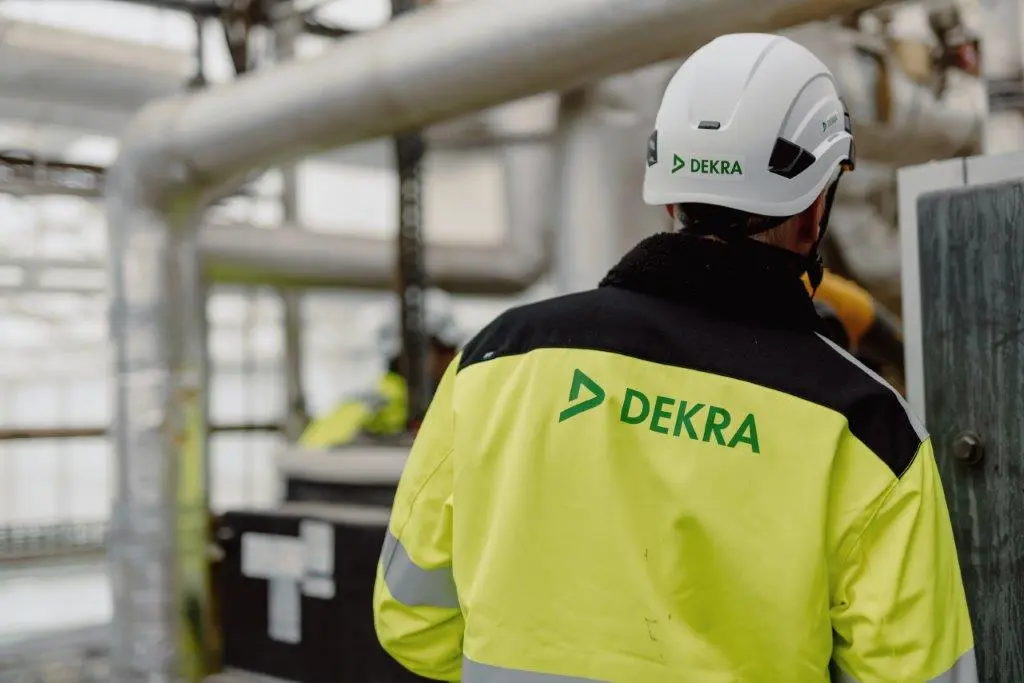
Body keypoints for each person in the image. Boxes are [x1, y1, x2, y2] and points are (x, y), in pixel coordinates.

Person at [373, 33, 975, 682]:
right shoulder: (868, 427)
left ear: (670, 195)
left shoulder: (494, 358)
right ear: (814, 209)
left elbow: (412, 618)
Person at [299, 288, 464, 448]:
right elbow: (312, 456)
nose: (453, 358)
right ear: (407, 354)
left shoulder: (456, 399)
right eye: (444, 350)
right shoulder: (374, 407)